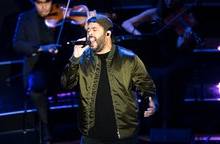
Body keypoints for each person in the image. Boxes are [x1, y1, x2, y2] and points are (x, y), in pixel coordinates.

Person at [61, 14, 158, 144]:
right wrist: (74, 59)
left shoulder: (128, 58)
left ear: (108, 34)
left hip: (123, 134)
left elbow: (146, 84)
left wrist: (152, 102)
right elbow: (67, 84)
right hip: (91, 135)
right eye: (88, 30)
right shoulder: (82, 58)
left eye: (95, 30)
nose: (90, 33)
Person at [12, 0, 84, 143]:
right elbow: (17, 45)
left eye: (47, 2)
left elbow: (78, 38)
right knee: (36, 87)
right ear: (33, 2)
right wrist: (41, 48)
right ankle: (46, 125)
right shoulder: (25, 18)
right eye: (40, 3)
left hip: (64, 65)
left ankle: (86, 122)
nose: (44, 7)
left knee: (88, 81)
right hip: (39, 66)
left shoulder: (64, 15)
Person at [121, 0, 200, 128]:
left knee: (170, 76)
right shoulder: (154, 13)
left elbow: (179, 47)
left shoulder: (186, 16)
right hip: (157, 60)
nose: (169, 1)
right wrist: (140, 35)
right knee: (150, 77)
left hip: (176, 59)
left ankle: (170, 121)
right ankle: (154, 122)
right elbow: (126, 23)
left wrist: (185, 41)